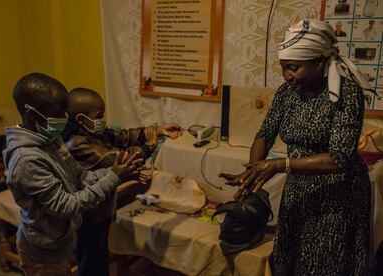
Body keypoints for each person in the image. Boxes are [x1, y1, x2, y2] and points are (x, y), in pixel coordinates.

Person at [220, 20, 372, 275]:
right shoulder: (287, 92)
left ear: (319, 62)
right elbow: (264, 134)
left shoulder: (346, 94)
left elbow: (339, 158)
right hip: (299, 191)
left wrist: (279, 164)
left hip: (337, 197)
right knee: (291, 259)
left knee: (325, 263)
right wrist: (252, 173)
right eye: (284, 68)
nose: (287, 76)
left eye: (294, 68)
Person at [3, 73, 140, 276]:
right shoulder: (27, 160)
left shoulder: (52, 139)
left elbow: (80, 177)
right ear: (32, 115)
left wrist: (114, 171)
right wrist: (114, 178)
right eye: (59, 113)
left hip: (60, 241)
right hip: (42, 252)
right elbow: (66, 206)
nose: (65, 120)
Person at [62, 87, 183, 276]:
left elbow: (124, 135)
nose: (103, 119)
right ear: (80, 119)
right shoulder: (76, 144)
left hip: (102, 210)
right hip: (88, 216)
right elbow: (118, 159)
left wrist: (158, 130)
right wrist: (149, 146)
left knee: (100, 257)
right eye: (100, 115)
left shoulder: (94, 133)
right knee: (91, 262)